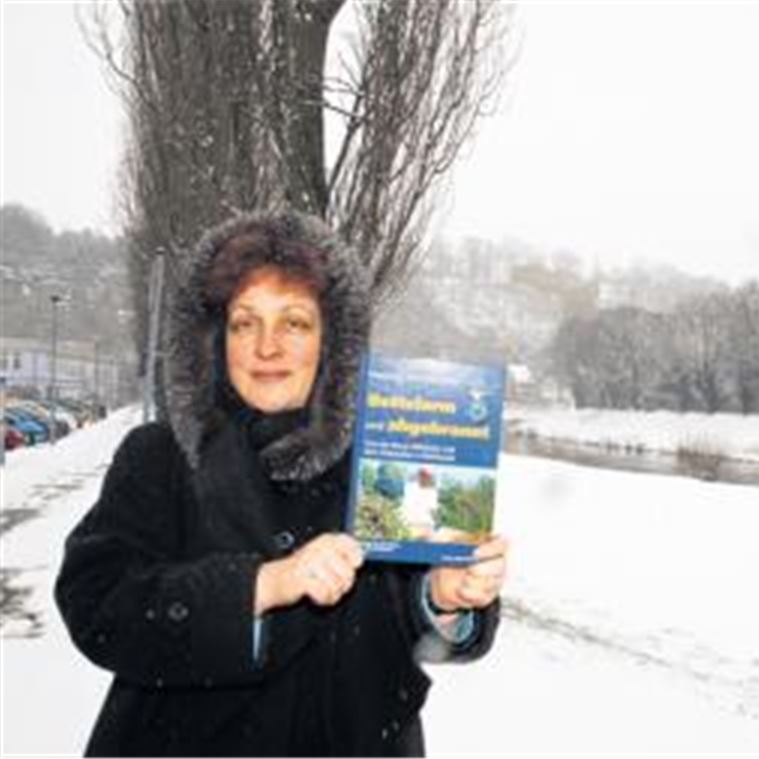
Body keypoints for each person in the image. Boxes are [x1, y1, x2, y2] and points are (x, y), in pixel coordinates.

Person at [54, 210, 508, 756]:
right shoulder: (160, 456)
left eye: (294, 322)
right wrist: (263, 586)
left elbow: (410, 633)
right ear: (216, 338)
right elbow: (98, 605)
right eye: (245, 322)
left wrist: (443, 600)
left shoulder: (389, 461)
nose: (267, 347)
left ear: (332, 342)